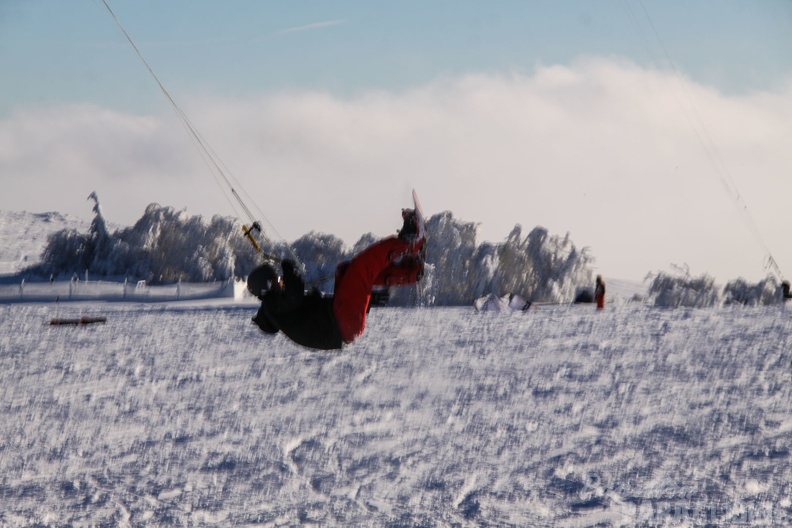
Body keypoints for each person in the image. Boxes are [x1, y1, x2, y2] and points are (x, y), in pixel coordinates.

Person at [248, 209, 425, 350]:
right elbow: (296, 293)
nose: (280, 281)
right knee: (360, 268)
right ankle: (410, 240)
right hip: (342, 322)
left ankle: (410, 271)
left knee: (345, 270)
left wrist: (367, 300)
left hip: (342, 322)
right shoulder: (275, 307)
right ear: (267, 287)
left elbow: (311, 307)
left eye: (278, 277)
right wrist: (288, 267)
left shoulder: (277, 308)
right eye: (275, 279)